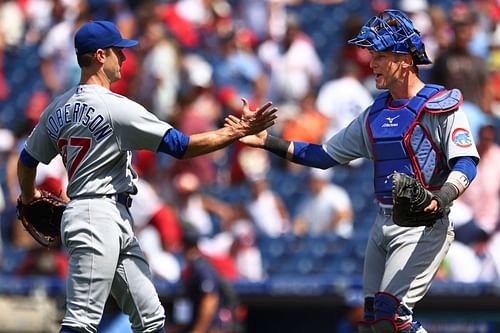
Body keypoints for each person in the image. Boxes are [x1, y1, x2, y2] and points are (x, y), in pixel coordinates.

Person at [15, 20, 277, 333]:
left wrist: (29, 196)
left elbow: (27, 159)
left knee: (151, 319)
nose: (124, 58)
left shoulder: (57, 108)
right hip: (95, 212)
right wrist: (236, 131)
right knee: (80, 322)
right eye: (118, 52)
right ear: (100, 55)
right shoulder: (117, 108)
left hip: (111, 216)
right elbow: (181, 146)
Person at [227, 9, 479, 333]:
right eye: (371, 54)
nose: (371, 62)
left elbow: (466, 162)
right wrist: (268, 142)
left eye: (380, 55)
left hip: (423, 224)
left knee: (393, 317)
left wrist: (442, 196)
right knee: (374, 324)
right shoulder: (374, 114)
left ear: (404, 59)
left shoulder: (440, 105)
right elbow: (323, 155)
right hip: (382, 222)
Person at [177, 222, 242, 333]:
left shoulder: (201, 267)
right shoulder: (193, 267)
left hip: (212, 327)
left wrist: (198, 330)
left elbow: (210, 300)